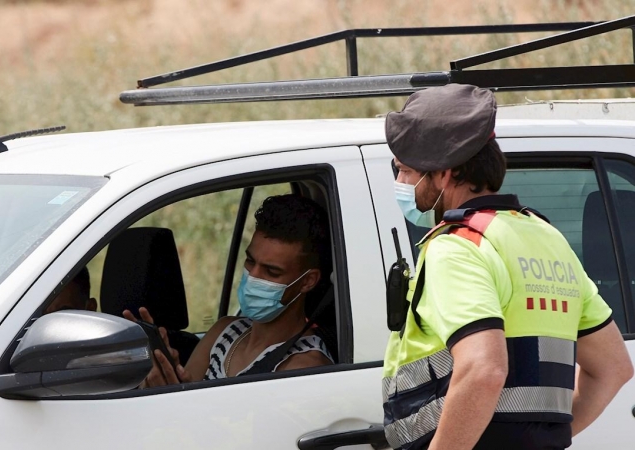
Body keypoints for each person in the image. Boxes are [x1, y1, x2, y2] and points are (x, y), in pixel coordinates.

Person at [381, 84, 633, 450]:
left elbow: (484, 369)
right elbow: (614, 367)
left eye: (405, 172)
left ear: (446, 173)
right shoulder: (546, 237)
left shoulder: (458, 246)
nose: (401, 183)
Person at [123, 194, 334, 387]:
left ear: (307, 281)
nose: (253, 276)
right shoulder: (224, 332)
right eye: (250, 261)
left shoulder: (306, 368)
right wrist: (167, 383)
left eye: (272, 272)